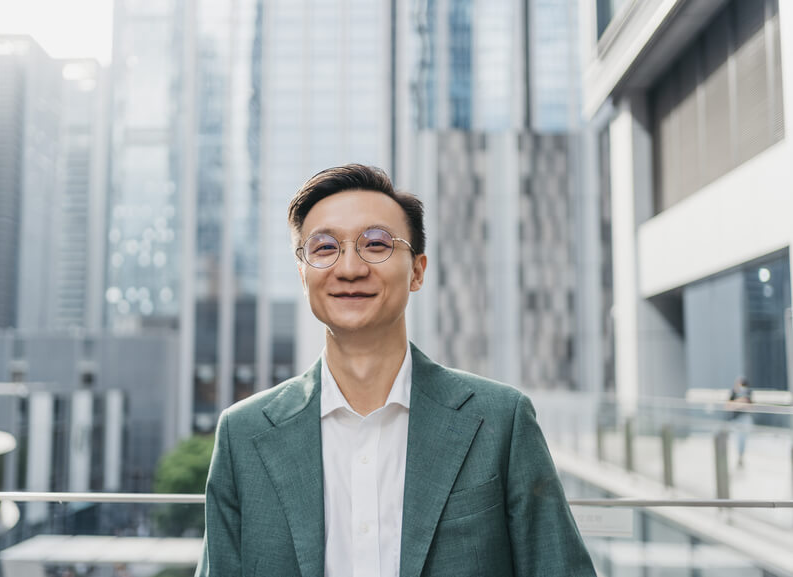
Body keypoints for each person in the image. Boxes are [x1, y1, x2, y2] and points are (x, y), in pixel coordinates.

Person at [195, 164, 596, 576]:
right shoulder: (243, 434)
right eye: (324, 248)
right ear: (303, 273)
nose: (350, 268)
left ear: (417, 271)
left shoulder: (500, 420)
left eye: (376, 244)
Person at [727, 376, 754, 469]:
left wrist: (737, 404)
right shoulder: (733, 392)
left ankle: (741, 457)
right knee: (738, 439)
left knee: (743, 439)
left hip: (745, 418)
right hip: (736, 419)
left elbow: (749, 405)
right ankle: (739, 457)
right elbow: (728, 405)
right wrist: (740, 402)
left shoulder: (748, 392)